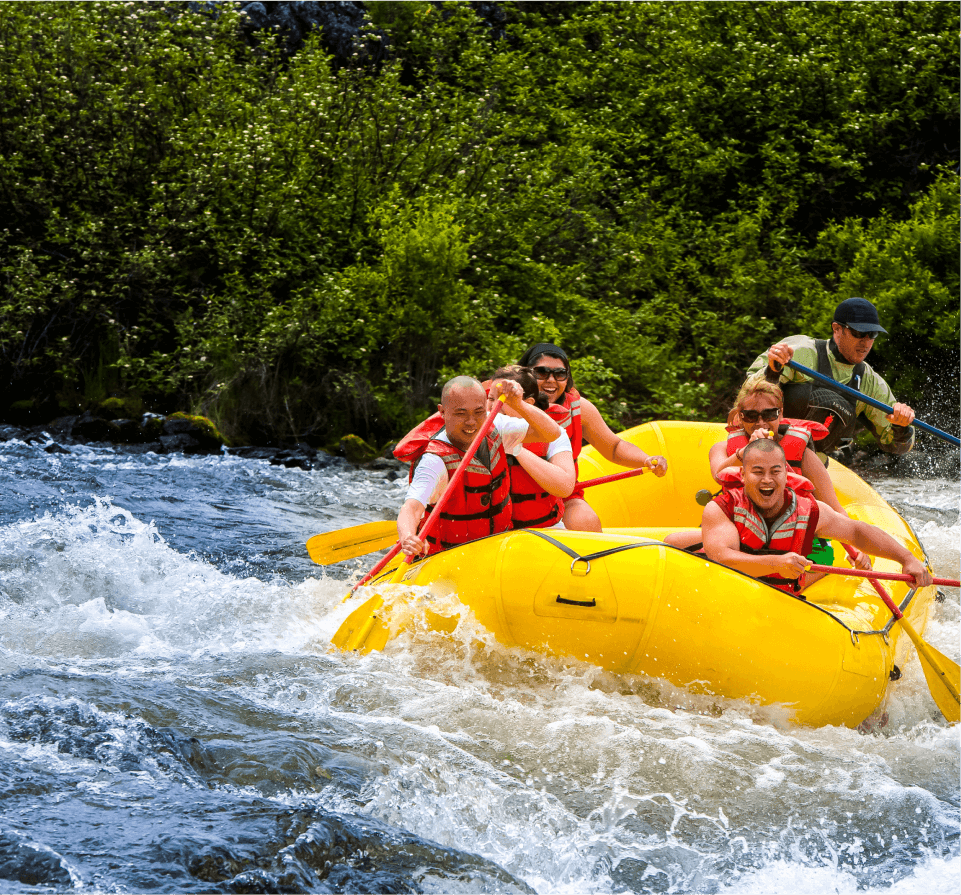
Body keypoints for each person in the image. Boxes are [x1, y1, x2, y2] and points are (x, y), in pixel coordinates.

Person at [665, 378, 870, 574]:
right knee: (672, 543)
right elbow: (719, 476)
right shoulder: (723, 449)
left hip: (795, 542)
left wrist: (858, 549)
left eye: (769, 414)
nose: (761, 423)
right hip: (742, 538)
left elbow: (835, 508)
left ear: (780, 415)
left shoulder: (803, 455)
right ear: (739, 416)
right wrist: (745, 451)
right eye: (751, 416)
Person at [701, 439, 932, 594]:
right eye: (758, 472)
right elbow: (723, 558)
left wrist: (906, 559)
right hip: (732, 592)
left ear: (786, 473)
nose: (767, 480)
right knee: (674, 543)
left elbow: (856, 532)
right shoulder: (722, 507)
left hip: (783, 596)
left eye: (775, 471)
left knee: (822, 563)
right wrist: (775, 563)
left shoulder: (808, 510)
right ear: (742, 474)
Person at [393, 376, 561, 558]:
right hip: (449, 557)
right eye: (461, 413)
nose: (471, 422)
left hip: (497, 546)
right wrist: (408, 536)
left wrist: (519, 404)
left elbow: (551, 433)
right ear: (442, 412)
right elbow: (412, 507)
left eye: (478, 412)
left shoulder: (494, 425)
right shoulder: (434, 461)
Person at [517, 342, 667, 532]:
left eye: (560, 374)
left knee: (586, 521)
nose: (551, 380)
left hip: (563, 495)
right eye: (542, 373)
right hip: (511, 496)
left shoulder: (580, 409)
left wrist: (645, 459)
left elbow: (613, 447)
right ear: (526, 374)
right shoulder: (508, 406)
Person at [745, 297, 916, 455]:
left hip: (817, 461)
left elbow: (897, 446)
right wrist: (773, 371)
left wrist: (902, 427)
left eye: (872, 335)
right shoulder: (802, 352)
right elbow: (747, 394)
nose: (865, 342)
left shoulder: (870, 382)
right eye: (858, 333)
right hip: (765, 447)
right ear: (837, 329)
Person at [487, 365, 575, 530]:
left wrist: (516, 449)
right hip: (493, 534)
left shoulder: (555, 433)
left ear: (527, 403)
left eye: (501, 400)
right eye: (491, 399)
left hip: (544, 530)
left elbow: (565, 487)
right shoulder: (478, 430)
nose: (493, 407)